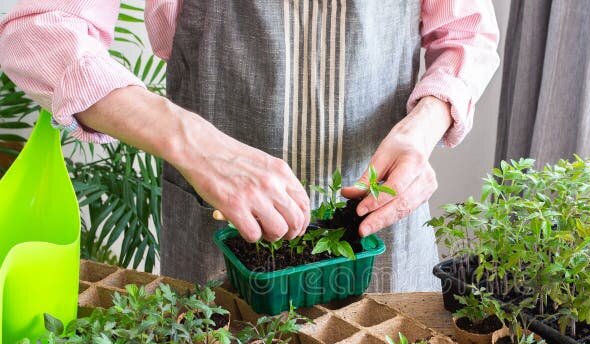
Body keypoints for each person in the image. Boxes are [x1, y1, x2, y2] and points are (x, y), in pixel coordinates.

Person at [0, 1, 499, 291]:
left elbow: (466, 32)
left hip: (381, 237)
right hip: (222, 243)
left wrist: (424, 124)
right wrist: (195, 143)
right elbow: (40, 30)